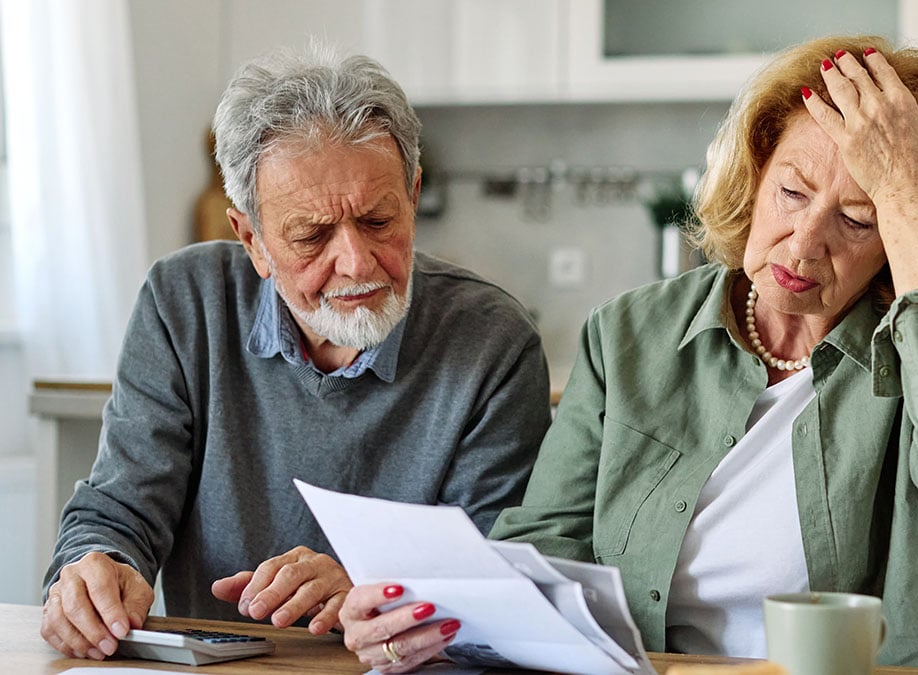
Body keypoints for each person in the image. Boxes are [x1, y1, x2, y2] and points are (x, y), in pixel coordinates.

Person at [338, 34, 918, 672]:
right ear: (757, 168)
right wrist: (424, 617)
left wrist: (912, 195)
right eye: (791, 192)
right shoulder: (631, 335)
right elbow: (546, 556)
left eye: (859, 219)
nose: (802, 244)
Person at [39, 45, 551, 662]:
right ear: (251, 238)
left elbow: (502, 587)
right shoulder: (183, 303)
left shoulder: (493, 340)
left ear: (412, 195)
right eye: (312, 235)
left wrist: (374, 590)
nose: (357, 264)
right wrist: (96, 567)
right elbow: (120, 506)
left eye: (379, 220)